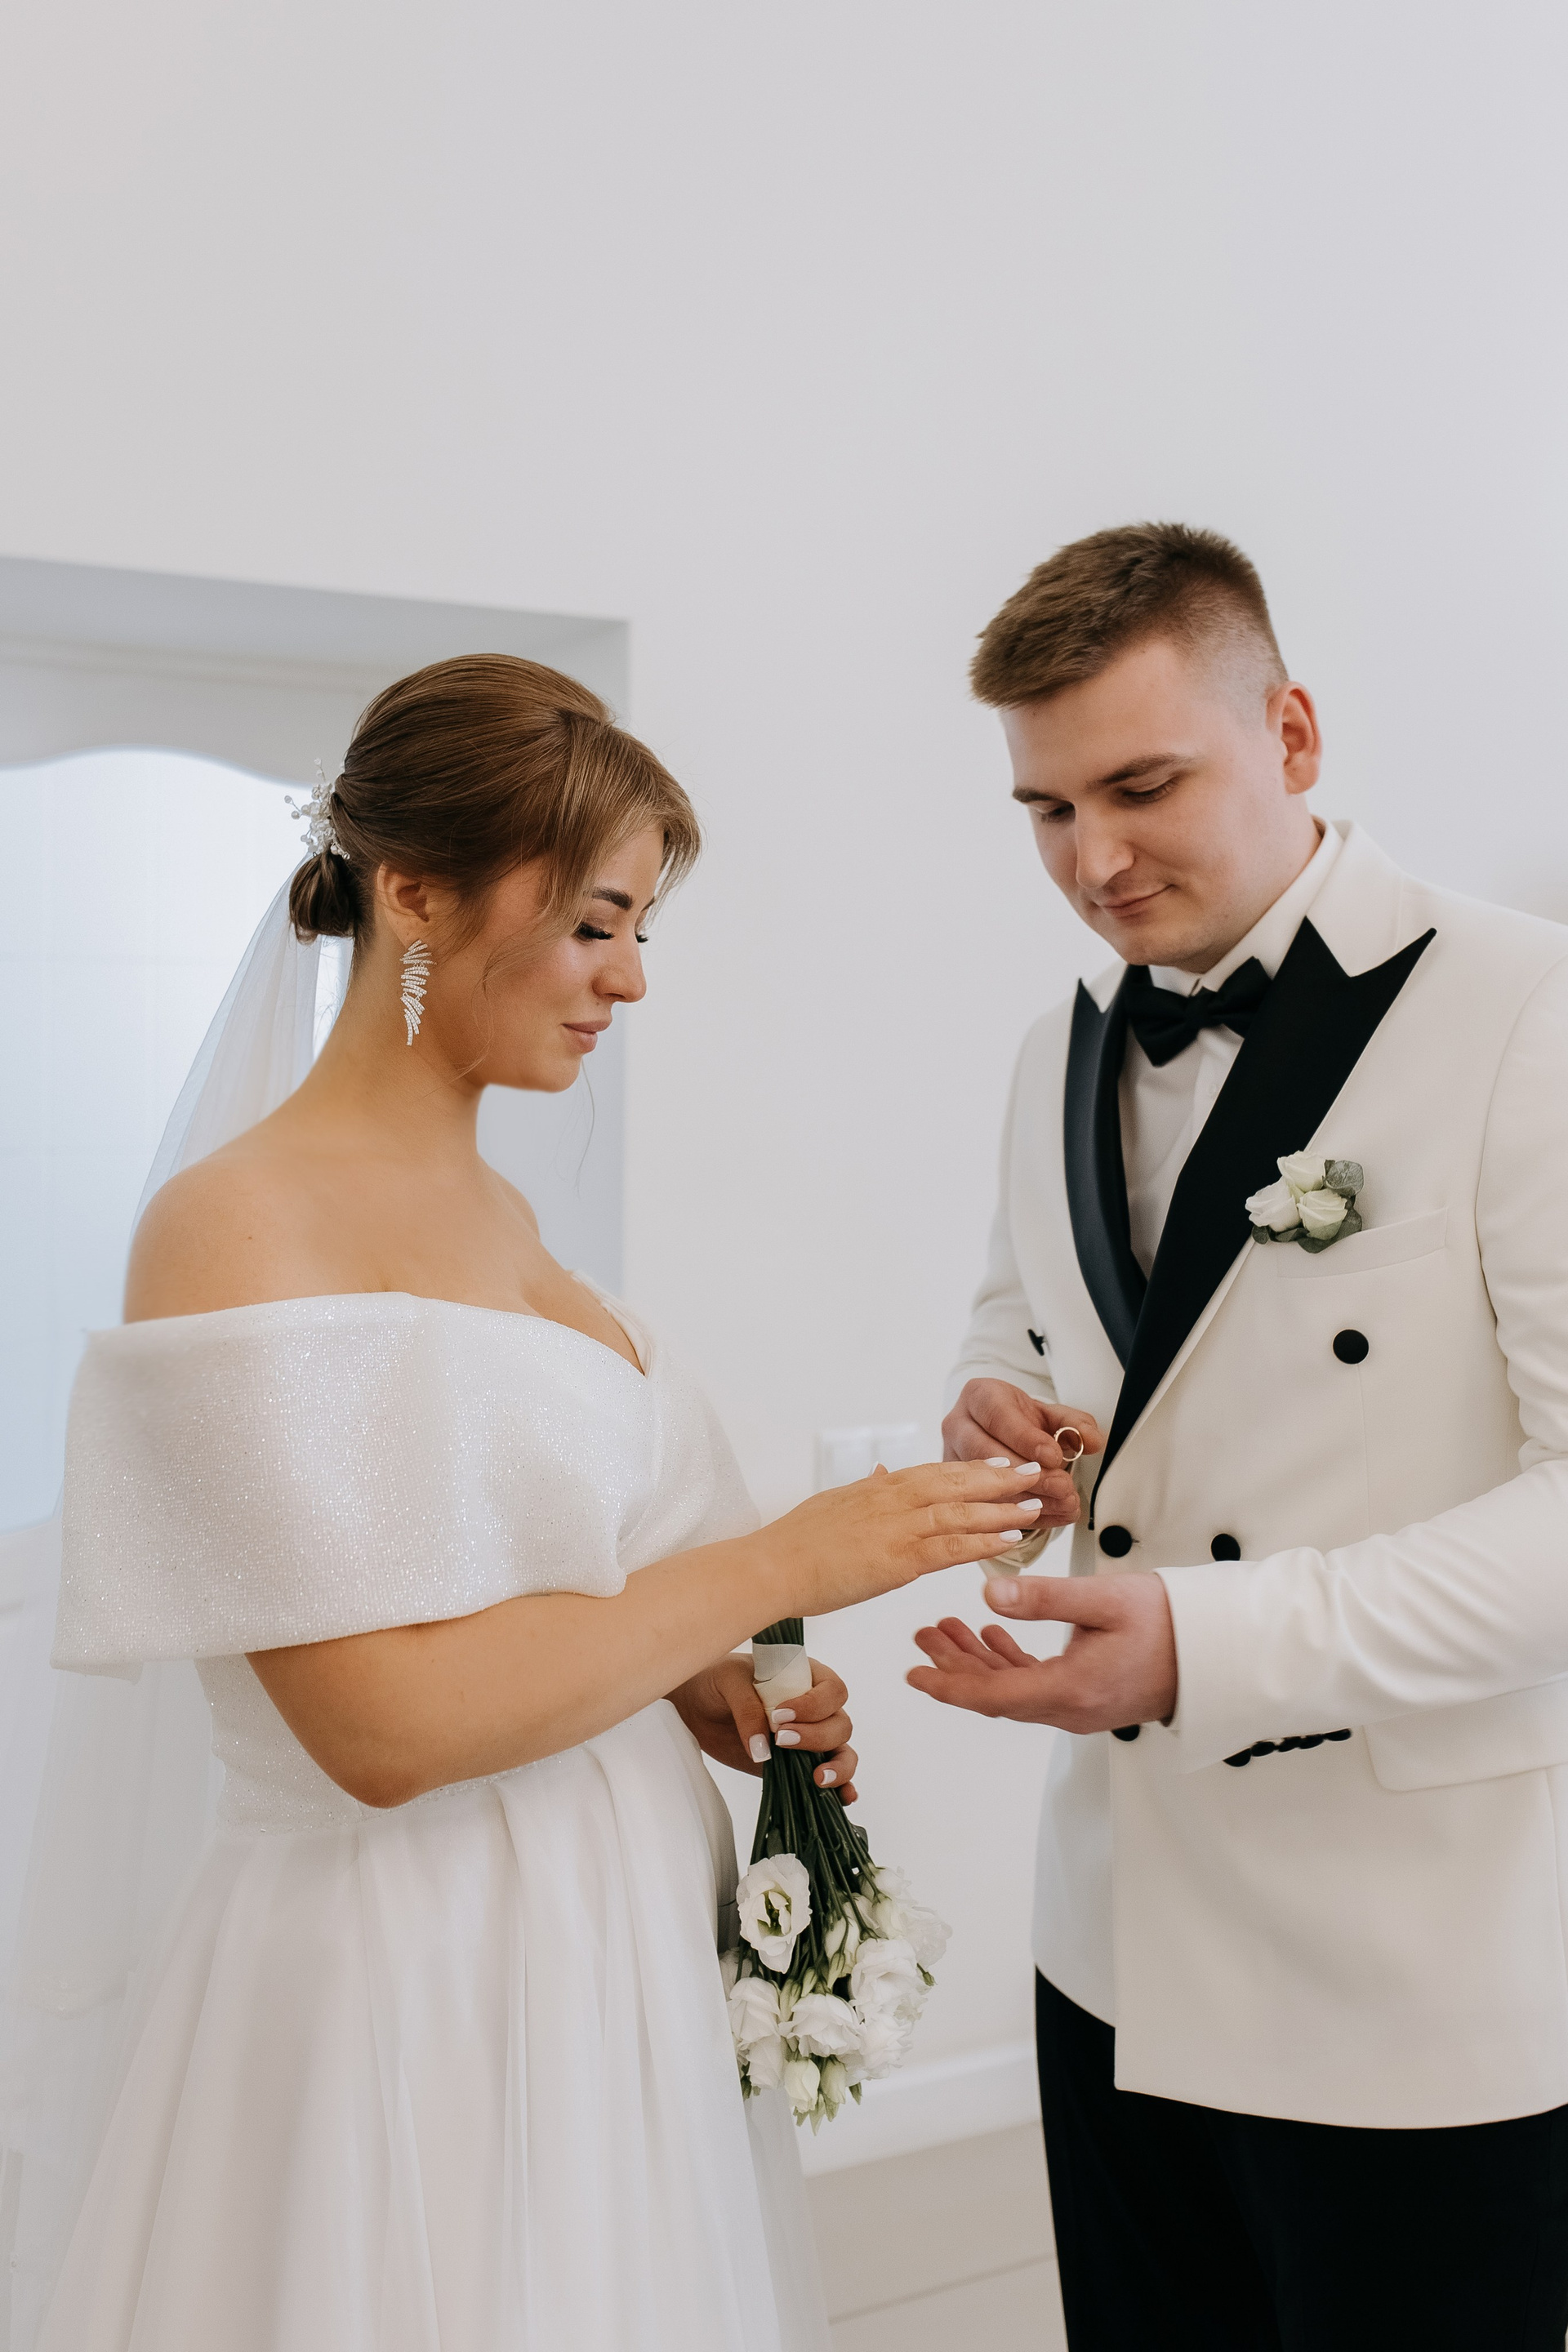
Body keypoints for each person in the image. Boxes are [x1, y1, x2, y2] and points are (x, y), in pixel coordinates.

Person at [22, 656, 1040, 2352]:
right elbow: (380, 1727)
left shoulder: (510, 1224)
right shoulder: (237, 1225)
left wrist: (700, 1685)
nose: (630, 977)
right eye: (593, 923)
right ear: (414, 893)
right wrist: (780, 1564)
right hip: (408, 1966)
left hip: (606, 1948)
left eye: (641, 930)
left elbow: (534, 1596)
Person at [910, 524, 1568, 2351]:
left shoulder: (1529, 1010)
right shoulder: (1055, 1047)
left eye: (1142, 788)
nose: (1093, 862)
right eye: (1047, 810)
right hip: (1114, 1938)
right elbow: (1024, 1322)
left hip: (1410, 1968)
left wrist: (1206, 1646)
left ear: (1291, 733)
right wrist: (999, 1419)